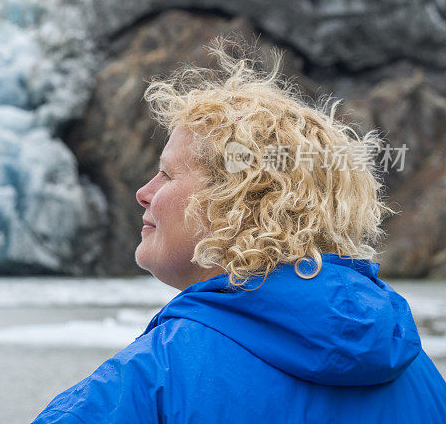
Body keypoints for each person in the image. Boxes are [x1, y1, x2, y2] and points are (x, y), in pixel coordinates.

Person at [32, 36, 446, 423]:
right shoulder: (420, 376)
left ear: (240, 199)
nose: (144, 193)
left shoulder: (154, 381)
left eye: (166, 174)